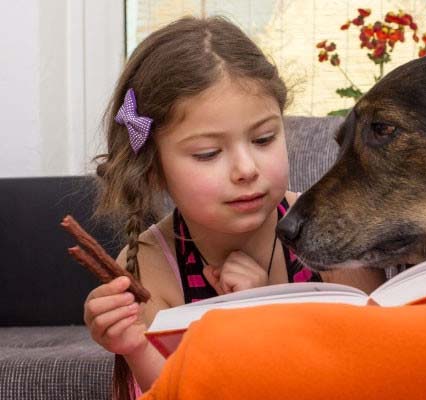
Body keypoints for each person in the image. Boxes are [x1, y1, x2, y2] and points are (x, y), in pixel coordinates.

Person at [82, 16, 384, 399]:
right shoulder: (150, 265)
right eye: (208, 154)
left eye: (263, 139)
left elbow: (371, 372)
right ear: (154, 168)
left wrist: (261, 312)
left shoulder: (333, 231)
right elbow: (172, 391)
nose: (246, 169)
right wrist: (135, 347)